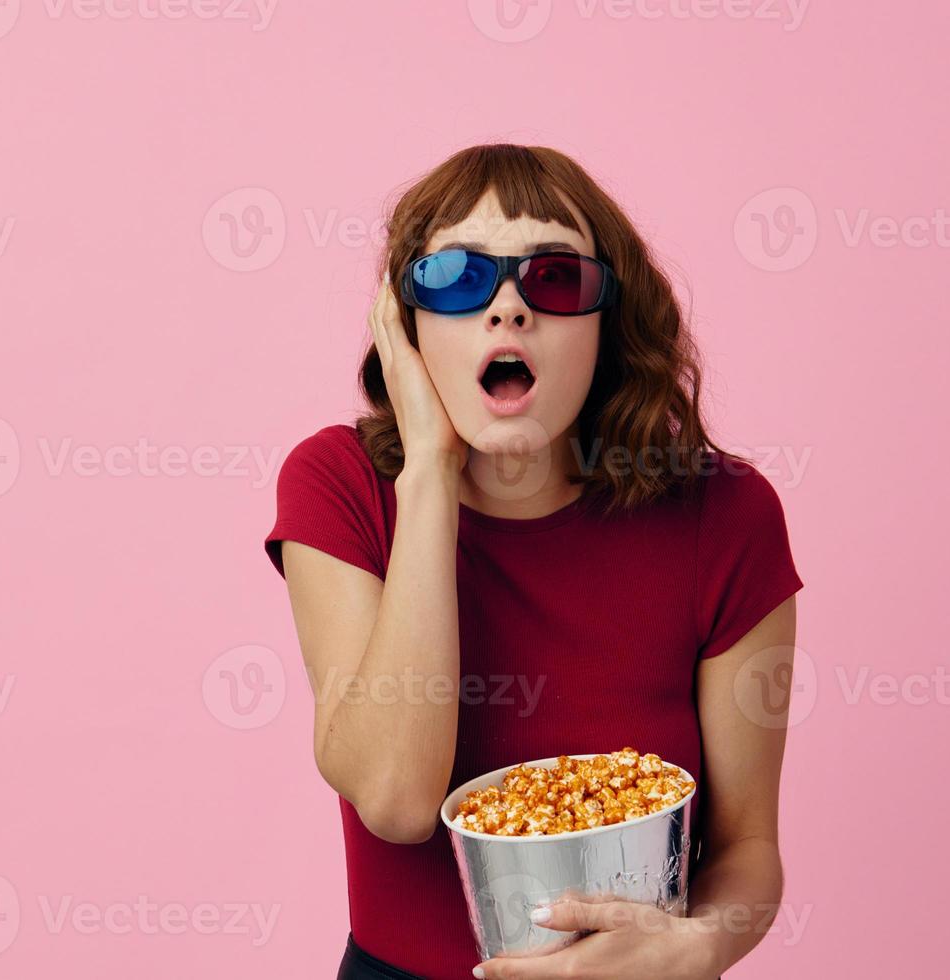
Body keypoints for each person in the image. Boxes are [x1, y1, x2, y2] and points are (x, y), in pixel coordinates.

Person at [263, 144, 804, 979]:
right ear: (405, 324)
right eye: (455, 278)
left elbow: (748, 850)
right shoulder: (340, 486)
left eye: (555, 279)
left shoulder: (726, 514)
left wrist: (700, 944)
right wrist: (432, 471)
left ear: (606, 321)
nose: (508, 308)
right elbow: (401, 802)